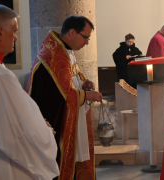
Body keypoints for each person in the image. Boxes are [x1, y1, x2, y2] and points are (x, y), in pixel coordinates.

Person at [0, 4, 59, 179]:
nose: (16, 37)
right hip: (4, 165)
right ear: (0, 33)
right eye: (14, 31)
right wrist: (45, 130)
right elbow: (15, 134)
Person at [26, 15, 103, 180]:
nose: (87, 42)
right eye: (86, 37)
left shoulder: (64, 51)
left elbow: (69, 82)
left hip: (73, 118)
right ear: (72, 32)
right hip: (56, 123)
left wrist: (82, 84)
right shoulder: (53, 56)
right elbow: (59, 96)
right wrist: (86, 95)